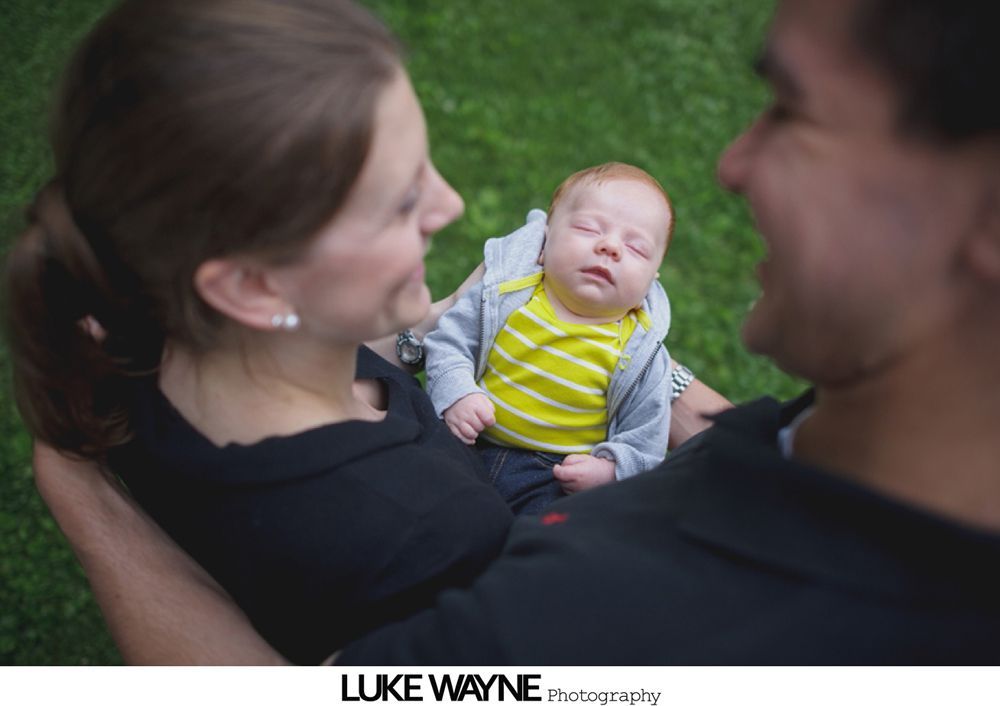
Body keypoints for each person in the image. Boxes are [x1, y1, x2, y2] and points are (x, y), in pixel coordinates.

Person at [7, 0, 727, 665]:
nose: (451, 203)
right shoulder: (432, 534)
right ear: (252, 286)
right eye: (401, 198)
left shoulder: (138, 337)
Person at [426, 163, 676, 514]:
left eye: (636, 248)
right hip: (468, 441)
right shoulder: (509, 296)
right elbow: (448, 341)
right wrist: (457, 392)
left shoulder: (641, 353)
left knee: (552, 538)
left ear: (651, 281)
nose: (610, 247)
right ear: (544, 243)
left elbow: (647, 437)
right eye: (589, 228)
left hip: (555, 478)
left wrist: (611, 469)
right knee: (424, 488)